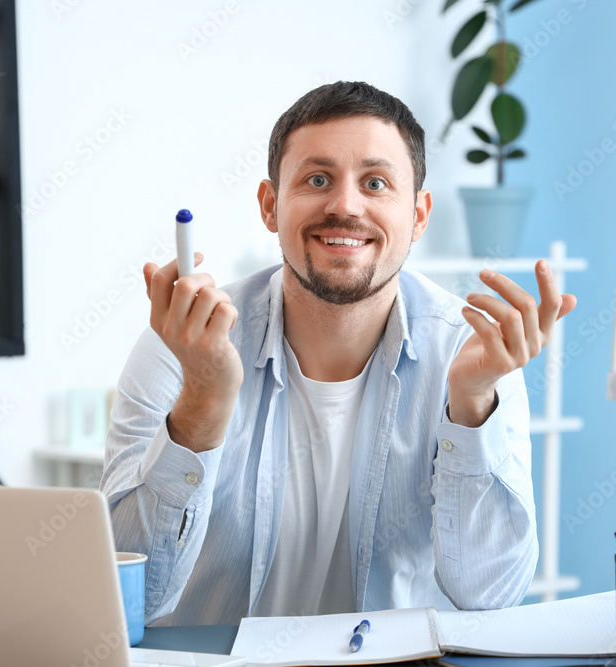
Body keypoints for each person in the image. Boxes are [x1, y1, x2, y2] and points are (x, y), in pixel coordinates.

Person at [100, 81, 577, 626]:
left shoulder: (472, 357)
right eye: (318, 179)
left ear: (419, 215)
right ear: (270, 205)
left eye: (375, 183)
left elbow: (489, 595)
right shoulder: (182, 347)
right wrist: (203, 401)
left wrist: (470, 407)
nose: (345, 205)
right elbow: (127, 598)